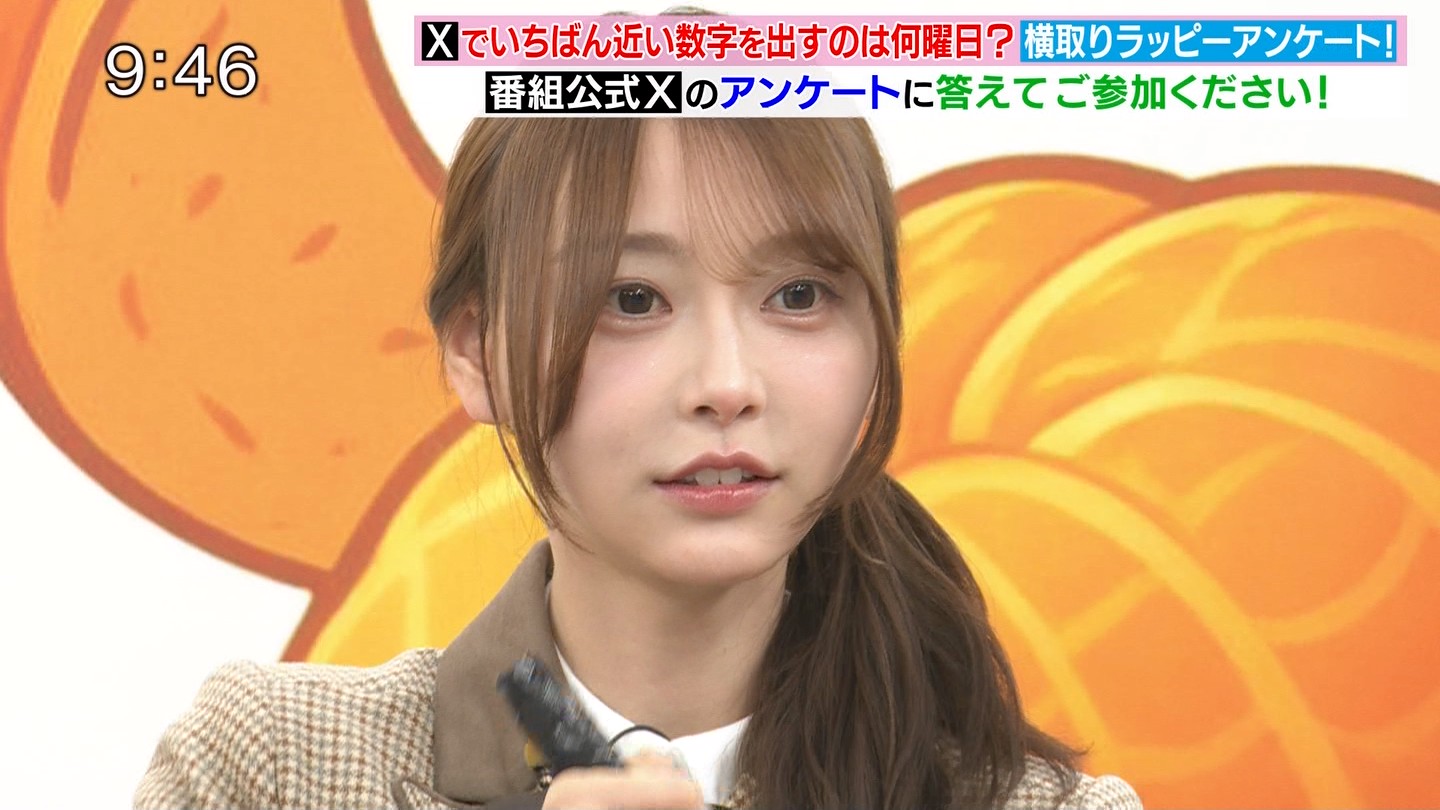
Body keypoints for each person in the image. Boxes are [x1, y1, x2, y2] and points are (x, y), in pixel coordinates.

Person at [134, 117, 1144, 810]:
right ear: (477, 350)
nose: (727, 384)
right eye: (632, 299)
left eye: (798, 296)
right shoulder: (278, 767)